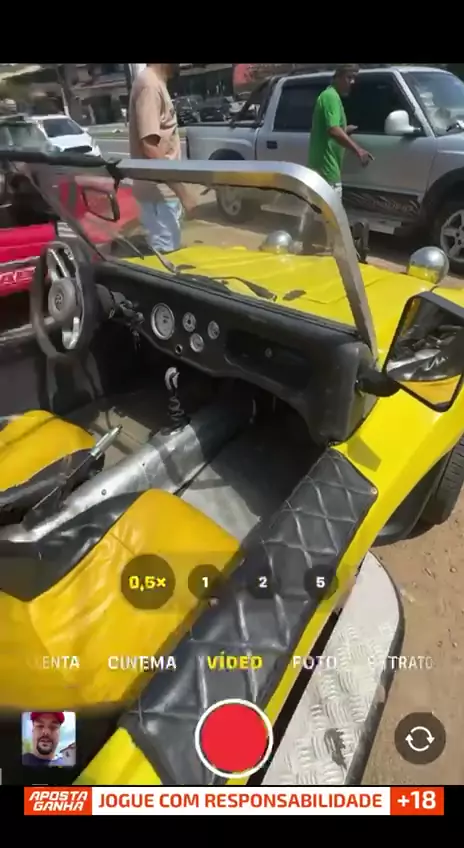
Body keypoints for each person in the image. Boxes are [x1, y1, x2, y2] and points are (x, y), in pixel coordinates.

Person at [129, 63, 196, 254]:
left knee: (170, 251)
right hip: (158, 195)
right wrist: (183, 193)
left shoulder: (155, 83)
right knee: (166, 256)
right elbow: (150, 147)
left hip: (163, 193)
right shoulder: (150, 85)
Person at [308, 64, 373, 198]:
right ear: (338, 77)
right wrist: (358, 150)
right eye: (349, 77)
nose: (352, 82)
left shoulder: (331, 96)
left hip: (325, 170)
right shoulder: (330, 97)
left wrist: (345, 129)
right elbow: (333, 129)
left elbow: (331, 128)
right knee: (332, 211)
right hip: (327, 171)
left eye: (354, 78)